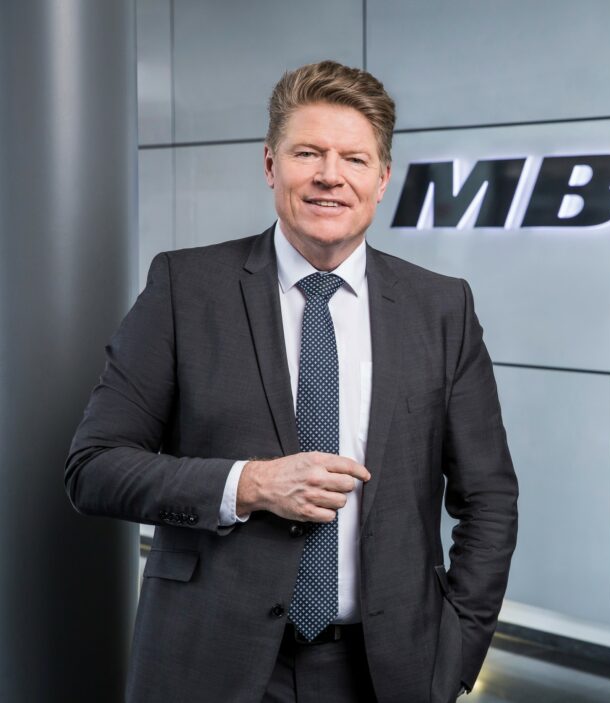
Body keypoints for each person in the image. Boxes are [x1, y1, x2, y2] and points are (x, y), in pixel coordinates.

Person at [65, 60, 518, 703]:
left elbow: (489, 498)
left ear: (382, 178)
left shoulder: (441, 307)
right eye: (308, 153)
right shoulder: (184, 289)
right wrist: (247, 485)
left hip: (384, 672)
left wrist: (455, 655)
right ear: (270, 164)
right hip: (208, 663)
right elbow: (94, 467)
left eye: (354, 159)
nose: (331, 175)